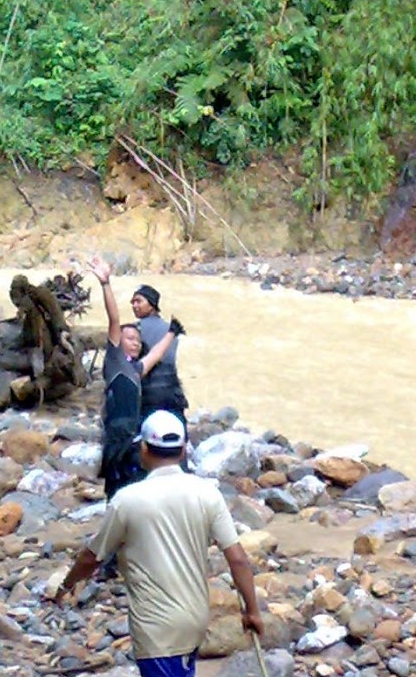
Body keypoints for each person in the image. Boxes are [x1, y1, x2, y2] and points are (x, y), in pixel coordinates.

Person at [53, 409, 263, 677]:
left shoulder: (127, 500)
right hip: (195, 621)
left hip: (156, 628)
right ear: (184, 450)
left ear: (143, 449)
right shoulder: (207, 493)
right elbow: (237, 559)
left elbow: (91, 558)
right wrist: (252, 611)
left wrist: (66, 586)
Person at [87, 257, 179, 500]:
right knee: (116, 490)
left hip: (134, 435)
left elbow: (156, 354)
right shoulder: (115, 361)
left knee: (136, 486)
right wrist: (105, 283)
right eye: (130, 339)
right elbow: (114, 320)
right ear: (119, 342)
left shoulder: (137, 369)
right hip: (116, 435)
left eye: (138, 340)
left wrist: (172, 333)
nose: (136, 342)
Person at [130, 282, 188, 421]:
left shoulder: (133, 330)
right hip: (173, 390)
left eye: (139, 301)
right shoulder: (171, 329)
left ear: (152, 304)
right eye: (132, 302)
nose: (134, 306)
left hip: (147, 392)